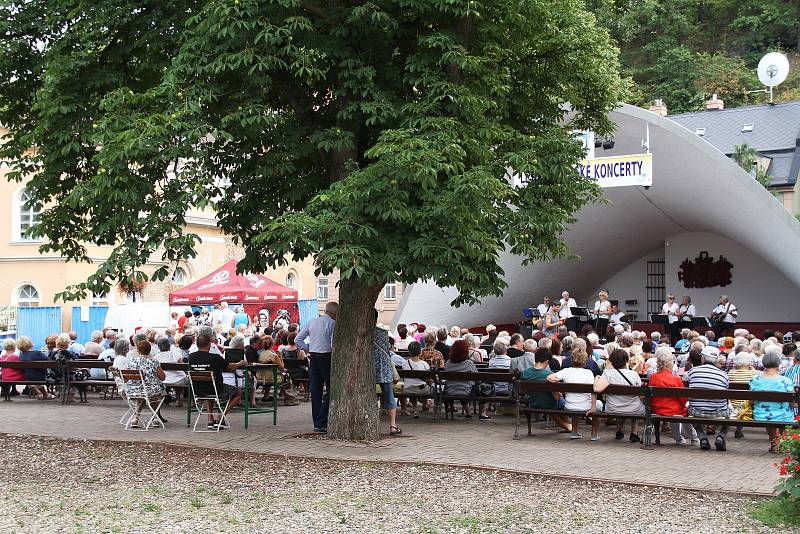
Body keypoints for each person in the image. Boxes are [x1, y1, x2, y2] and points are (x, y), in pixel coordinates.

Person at [188, 333, 247, 430]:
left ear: (197, 345)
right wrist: (240, 363)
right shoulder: (215, 357)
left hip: (198, 390)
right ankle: (221, 417)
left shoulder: (191, 357)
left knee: (208, 388)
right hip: (217, 389)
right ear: (209, 345)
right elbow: (230, 367)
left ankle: (210, 419)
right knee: (238, 392)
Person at [295, 301, 337, 433]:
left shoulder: (313, 321)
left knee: (316, 390)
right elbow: (333, 342)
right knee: (332, 389)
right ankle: (321, 420)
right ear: (334, 313)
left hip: (313, 357)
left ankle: (317, 422)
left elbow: (298, 339)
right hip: (326, 357)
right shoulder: (332, 323)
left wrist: (309, 348)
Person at [547, 347, 601, 440]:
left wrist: (557, 382)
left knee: (576, 403)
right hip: (585, 406)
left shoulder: (566, 371)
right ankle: (594, 434)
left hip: (569, 406)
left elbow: (549, 377)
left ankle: (574, 431)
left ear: (572, 359)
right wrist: (593, 407)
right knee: (599, 405)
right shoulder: (588, 373)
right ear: (585, 361)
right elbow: (593, 390)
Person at [750, 350, 797, 453]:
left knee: (770, 414)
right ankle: (783, 444)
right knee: (784, 412)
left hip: (762, 414)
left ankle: (774, 443)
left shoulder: (755, 380)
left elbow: (751, 402)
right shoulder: (785, 381)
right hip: (783, 415)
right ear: (778, 364)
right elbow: (793, 404)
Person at [594, 349, 645, 443]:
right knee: (635, 404)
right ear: (626, 361)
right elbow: (640, 395)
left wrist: (597, 378)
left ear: (611, 361)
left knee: (619, 402)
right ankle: (634, 432)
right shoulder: (634, 374)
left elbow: (597, 389)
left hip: (613, 408)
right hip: (633, 409)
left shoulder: (607, 373)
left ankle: (619, 430)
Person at [685, 351, 731, 451]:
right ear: (716, 361)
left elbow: (686, 381)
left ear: (702, 359)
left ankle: (702, 437)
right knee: (731, 412)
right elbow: (726, 390)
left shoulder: (692, 371)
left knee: (690, 409)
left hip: (696, 411)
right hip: (719, 412)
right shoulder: (723, 374)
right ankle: (721, 436)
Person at [648, 346, 694, 444]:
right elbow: (683, 398)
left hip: (658, 408)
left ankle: (679, 438)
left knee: (679, 411)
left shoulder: (653, 377)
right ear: (670, 363)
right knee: (683, 411)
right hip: (674, 410)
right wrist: (682, 405)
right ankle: (694, 438)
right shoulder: (676, 379)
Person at [521, 348, 572, 432]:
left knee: (555, 404)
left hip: (533, 402)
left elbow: (523, 391)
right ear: (547, 361)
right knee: (560, 402)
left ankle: (568, 426)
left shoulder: (525, 373)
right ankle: (569, 425)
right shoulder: (550, 375)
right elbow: (557, 398)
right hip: (549, 404)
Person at [124, 340, 167, 428]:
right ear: (150, 350)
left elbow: (125, 377)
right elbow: (162, 377)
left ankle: (135, 418)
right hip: (150, 391)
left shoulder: (131, 361)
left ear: (138, 350)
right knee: (157, 392)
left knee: (143, 395)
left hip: (133, 391)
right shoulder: (154, 362)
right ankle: (155, 417)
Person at [443, 340, 488, 420]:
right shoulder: (469, 364)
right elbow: (477, 377)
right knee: (482, 387)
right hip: (467, 392)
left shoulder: (448, 363)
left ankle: (468, 412)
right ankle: (482, 413)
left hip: (451, 390)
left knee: (461, 385)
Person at [373, 316, 401, 435]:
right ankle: (393, 426)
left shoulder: (360, 333)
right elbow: (387, 348)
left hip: (369, 367)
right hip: (384, 367)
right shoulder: (383, 333)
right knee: (389, 396)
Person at [401, 342, 432, 418]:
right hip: (422, 388)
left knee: (414, 386)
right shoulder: (424, 364)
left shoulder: (405, 364)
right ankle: (424, 404)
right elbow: (429, 380)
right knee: (425, 385)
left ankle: (415, 408)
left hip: (408, 389)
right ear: (420, 351)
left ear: (409, 352)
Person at [154, 336, 187, 407]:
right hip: (178, 380)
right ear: (169, 346)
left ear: (159, 347)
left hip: (163, 380)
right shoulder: (175, 353)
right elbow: (183, 366)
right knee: (181, 379)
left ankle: (165, 400)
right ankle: (178, 399)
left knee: (162, 380)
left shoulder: (156, 357)